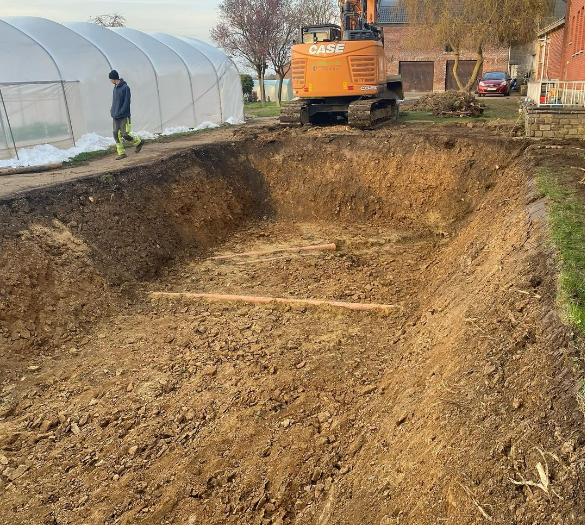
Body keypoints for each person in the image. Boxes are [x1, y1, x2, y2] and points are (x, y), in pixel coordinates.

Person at [109, 70, 144, 160]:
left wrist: (122, 111)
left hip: (123, 115)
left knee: (125, 134)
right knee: (115, 133)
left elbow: (127, 101)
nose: (110, 81)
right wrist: (112, 110)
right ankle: (121, 153)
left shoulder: (125, 87)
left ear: (113, 78)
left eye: (110, 79)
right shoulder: (115, 87)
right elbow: (115, 101)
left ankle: (138, 142)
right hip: (115, 115)